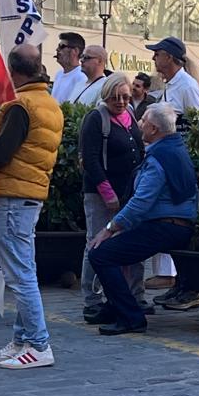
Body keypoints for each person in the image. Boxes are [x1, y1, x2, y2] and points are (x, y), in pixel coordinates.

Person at [0, 44, 64, 370]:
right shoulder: (48, 102)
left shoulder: (21, 104)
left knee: (20, 274)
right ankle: (23, 340)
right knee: (24, 269)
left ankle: (38, 344)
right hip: (26, 194)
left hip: (12, 195)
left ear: (13, 71)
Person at [87, 103, 198, 335]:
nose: (139, 125)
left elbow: (141, 203)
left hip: (166, 226)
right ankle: (113, 306)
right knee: (116, 248)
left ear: (154, 129)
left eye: (143, 121)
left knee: (101, 254)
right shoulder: (176, 149)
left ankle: (131, 317)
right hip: (177, 224)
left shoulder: (159, 158)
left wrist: (109, 228)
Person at [79, 74, 145, 324]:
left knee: (131, 243)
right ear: (106, 95)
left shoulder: (130, 117)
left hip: (129, 193)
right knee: (95, 242)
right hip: (101, 193)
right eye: (115, 97)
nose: (121, 101)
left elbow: (138, 151)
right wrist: (108, 194)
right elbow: (91, 160)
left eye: (126, 97)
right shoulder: (96, 119)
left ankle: (133, 294)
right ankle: (92, 300)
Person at [150, 37, 199, 115]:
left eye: (157, 54)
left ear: (169, 58)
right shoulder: (170, 84)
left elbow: (198, 122)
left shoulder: (188, 86)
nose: (153, 58)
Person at [51, 32, 88, 103]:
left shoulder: (81, 76)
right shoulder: (59, 74)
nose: (57, 49)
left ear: (75, 51)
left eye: (62, 46)